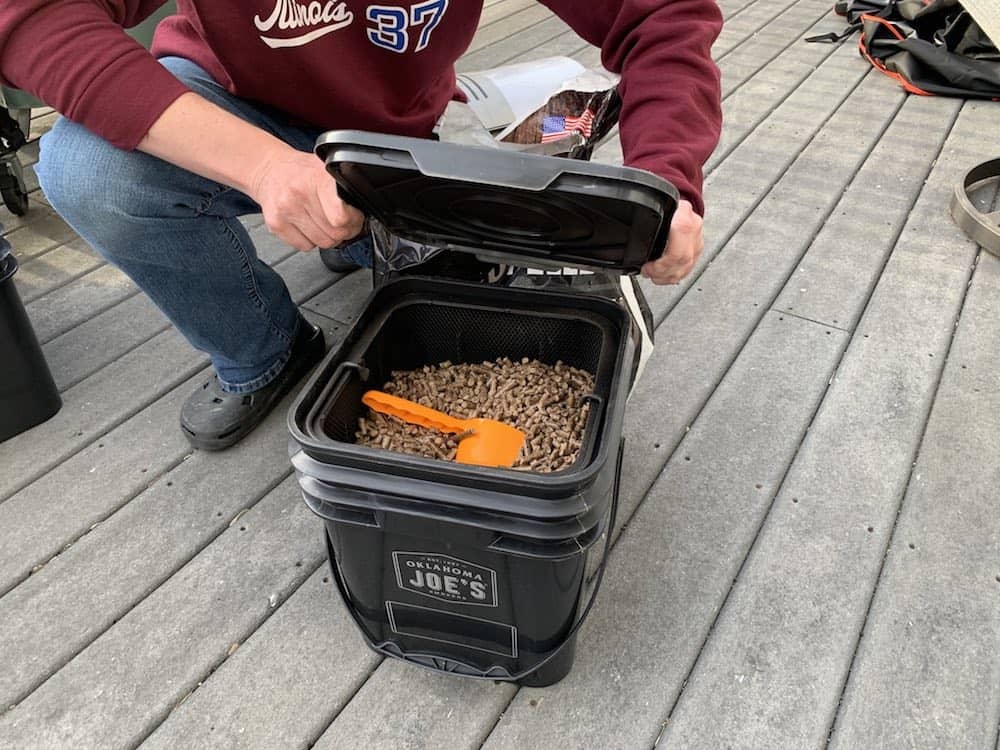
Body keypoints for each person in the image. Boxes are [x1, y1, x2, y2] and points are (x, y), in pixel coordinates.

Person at [0, 0, 722, 450]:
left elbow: (662, 15)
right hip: (226, 104)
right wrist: (263, 167)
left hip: (393, 131)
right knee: (86, 170)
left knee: (453, 296)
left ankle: (358, 232)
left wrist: (668, 181)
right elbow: (29, 14)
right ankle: (266, 351)